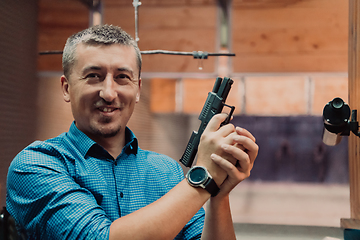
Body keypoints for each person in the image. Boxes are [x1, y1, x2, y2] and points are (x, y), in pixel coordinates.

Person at [6, 24, 258, 240]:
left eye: (122, 77)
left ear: (137, 89)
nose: (108, 92)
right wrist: (202, 179)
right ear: (66, 88)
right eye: (93, 76)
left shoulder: (166, 172)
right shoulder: (36, 164)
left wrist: (218, 194)